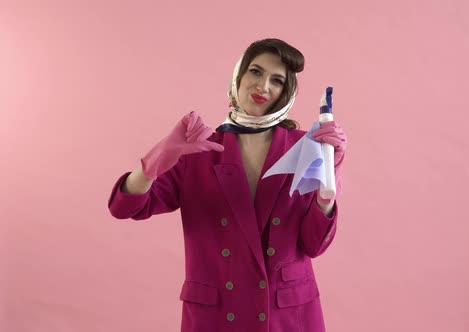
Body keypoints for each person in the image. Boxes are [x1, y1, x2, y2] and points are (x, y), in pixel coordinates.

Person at [107, 38, 347, 332]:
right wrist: (156, 159)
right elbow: (124, 207)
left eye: (277, 80)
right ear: (239, 75)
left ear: (287, 91)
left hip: (286, 317)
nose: (263, 87)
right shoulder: (198, 149)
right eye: (256, 72)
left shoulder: (304, 148)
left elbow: (313, 245)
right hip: (218, 315)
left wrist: (328, 186)